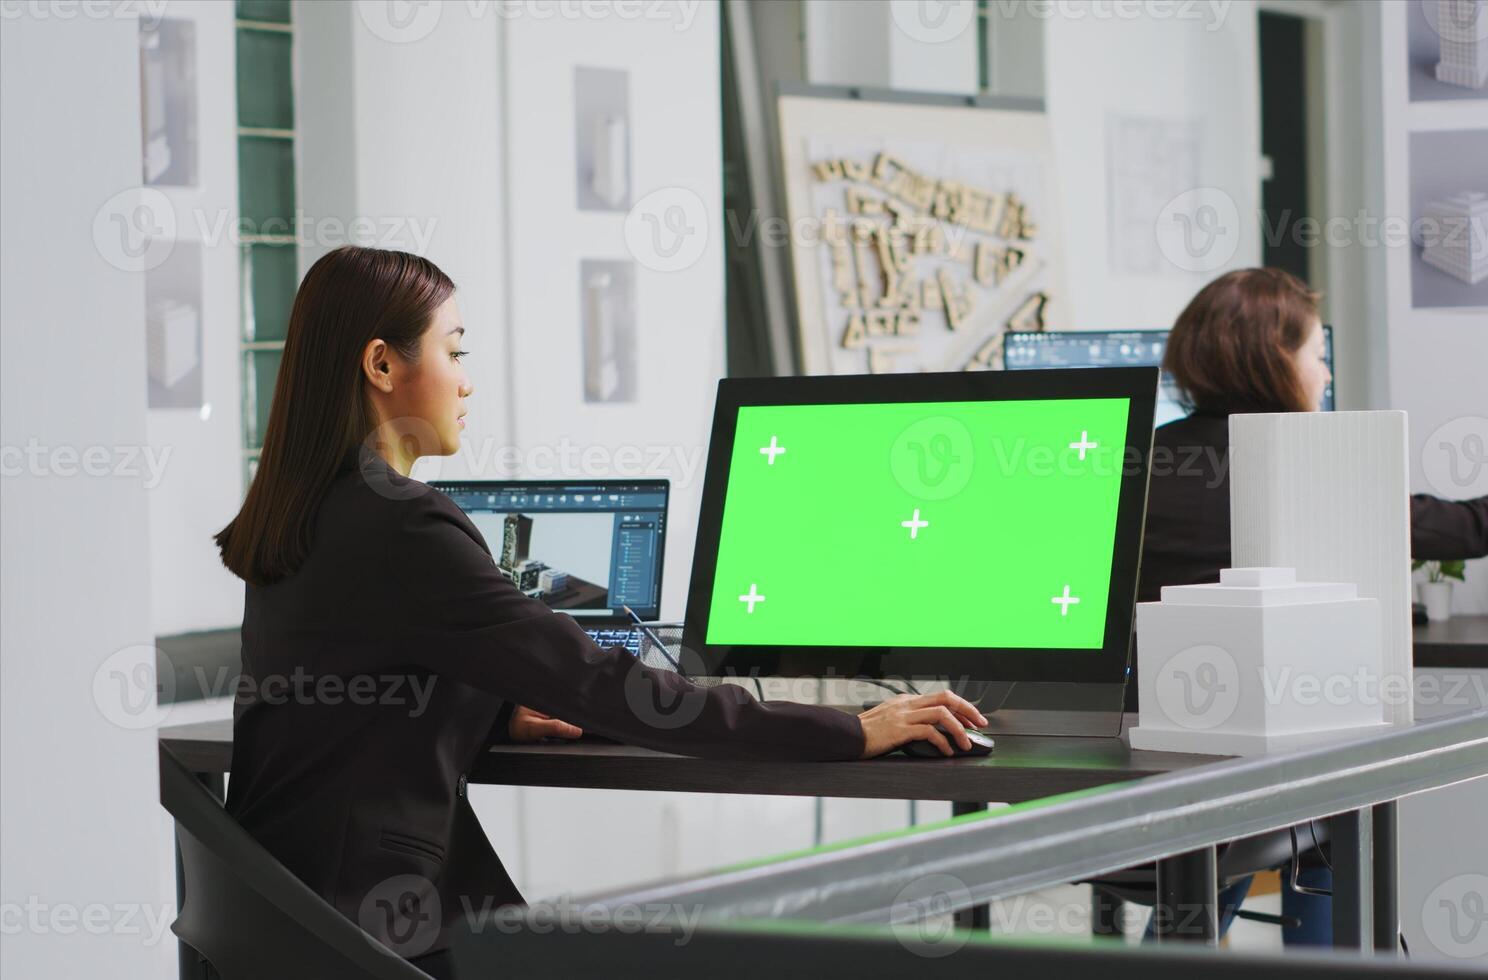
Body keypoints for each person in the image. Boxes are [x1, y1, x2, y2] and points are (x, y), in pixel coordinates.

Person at [213, 246, 986, 978]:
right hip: (372, 938)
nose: (467, 382)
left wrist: (488, 715)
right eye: (455, 351)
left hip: (276, 918)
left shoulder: (301, 512)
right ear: (382, 364)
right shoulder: (405, 527)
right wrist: (849, 728)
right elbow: (606, 686)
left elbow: (348, 696)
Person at [1137, 267, 1488, 945]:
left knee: (1232, 832)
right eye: (1317, 355)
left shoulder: (1137, 462)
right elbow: (1465, 529)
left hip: (1161, 763)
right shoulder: (1305, 458)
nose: (1326, 375)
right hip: (1282, 770)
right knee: (1323, 804)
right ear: (1274, 360)